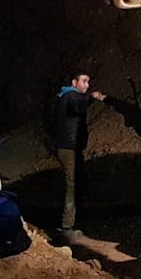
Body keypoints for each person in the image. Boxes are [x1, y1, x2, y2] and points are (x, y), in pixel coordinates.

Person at [49, 69, 106, 241]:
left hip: (71, 147)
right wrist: (92, 97)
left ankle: (75, 219)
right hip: (68, 149)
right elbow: (78, 105)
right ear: (74, 83)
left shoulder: (64, 96)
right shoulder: (70, 96)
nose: (87, 85)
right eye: (83, 81)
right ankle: (66, 228)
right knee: (71, 185)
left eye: (88, 82)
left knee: (77, 183)